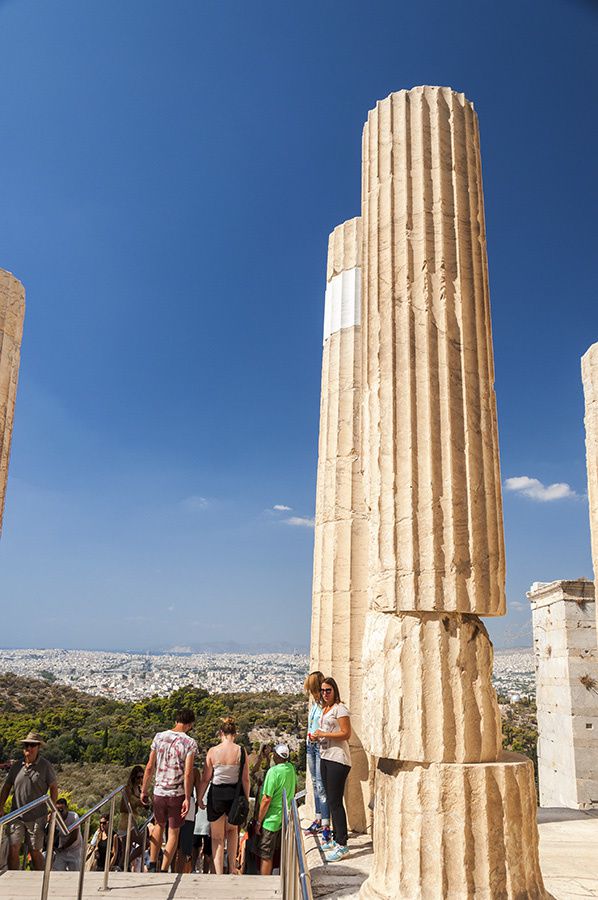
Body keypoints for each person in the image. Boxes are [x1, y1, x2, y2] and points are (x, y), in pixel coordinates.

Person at [141, 707, 197, 873]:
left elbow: (150, 766)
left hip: (159, 791)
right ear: (190, 724)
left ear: (176, 720)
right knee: (174, 831)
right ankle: (164, 868)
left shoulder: (159, 737)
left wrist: (144, 789)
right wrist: (188, 797)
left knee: (159, 825)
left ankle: (152, 862)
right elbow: (188, 773)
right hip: (177, 792)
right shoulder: (190, 743)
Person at [197, 717, 249, 876]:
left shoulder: (213, 751)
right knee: (232, 832)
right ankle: (232, 867)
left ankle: (218, 872)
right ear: (235, 733)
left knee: (217, 837)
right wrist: (246, 798)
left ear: (221, 733)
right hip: (235, 793)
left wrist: (200, 797)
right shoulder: (241, 751)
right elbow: (245, 778)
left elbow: (206, 778)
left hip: (216, 794)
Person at [0, 732, 58, 871]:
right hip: (16, 815)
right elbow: (6, 787)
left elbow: (53, 787)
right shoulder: (16, 766)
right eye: (27, 745)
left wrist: (53, 809)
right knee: (13, 848)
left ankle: (40, 880)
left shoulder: (45, 766)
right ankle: (15, 877)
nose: (29, 748)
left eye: (32, 745)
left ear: (38, 747)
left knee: (35, 851)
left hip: (37, 816)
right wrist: (1, 806)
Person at [310, 677, 351, 862]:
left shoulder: (340, 709)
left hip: (338, 759)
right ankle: (336, 839)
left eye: (328, 690)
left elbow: (346, 733)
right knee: (330, 798)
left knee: (335, 801)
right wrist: (316, 737)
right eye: (323, 690)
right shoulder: (325, 709)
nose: (325, 693)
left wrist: (324, 734)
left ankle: (342, 845)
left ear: (335, 690)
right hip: (325, 756)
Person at [255, 743, 297, 877]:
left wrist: (259, 821)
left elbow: (266, 799)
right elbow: (295, 789)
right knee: (281, 854)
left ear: (277, 756)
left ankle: (264, 883)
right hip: (285, 818)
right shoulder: (291, 769)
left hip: (271, 820)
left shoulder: (273, 772)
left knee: (266, 855)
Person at [303, 671, 331, 842]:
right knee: (315, 783)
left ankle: (326, 824)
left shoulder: (325, 707)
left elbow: (328, 728)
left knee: (321, 786)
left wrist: (317, 736)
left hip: (320, 746)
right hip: (310, 746)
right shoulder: (315, 705)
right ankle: (318, 818)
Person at [52, 797, 82, 871]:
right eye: (57, 810)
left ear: (67, 808)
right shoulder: (55, 818)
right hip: (62, 850)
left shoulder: (74, 817)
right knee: (57, 870)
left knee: (75, 872)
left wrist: (63, 847)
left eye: (61, 810)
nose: (59, 812)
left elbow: (74, 836)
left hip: (75, 850)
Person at [192, 787, 213, 874]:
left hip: (208, 821)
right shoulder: (194, 785)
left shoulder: (212, 785)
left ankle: (206, 872)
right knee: (194, 847)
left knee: (208, 851)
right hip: (196, 820)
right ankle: (192, 869)